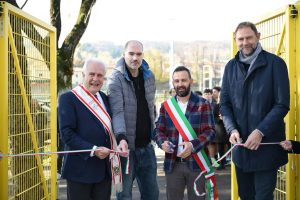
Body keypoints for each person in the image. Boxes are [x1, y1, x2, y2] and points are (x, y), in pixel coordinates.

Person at [220, 21, 290, 199]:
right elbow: (225, 104)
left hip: (266, 149)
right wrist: (231, 129)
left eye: (249, 37)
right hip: (241, 149)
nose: (245, 42)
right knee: (245, 197)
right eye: (240, 39)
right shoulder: (230, 67)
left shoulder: (276, 64)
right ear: (236, 41)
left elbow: (282, 104)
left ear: (258, 36)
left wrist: (260, 131)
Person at [108, 40, 159, 200]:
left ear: (143, 56)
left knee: (152, 195)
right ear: (124, 54)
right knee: (124, 196)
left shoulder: (150, 77)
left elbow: (151, 109)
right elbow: (117, 112)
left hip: (147, 148)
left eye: (138, 54)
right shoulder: (115, 79)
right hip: (126, 150)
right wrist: (121, 138)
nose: (135, 58)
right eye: (131, 53)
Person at [155, 66, 216, 200]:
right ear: (173, 83)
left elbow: (210, 132)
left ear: (191, 81)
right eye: (176, 81)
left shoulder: (203, 104)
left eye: (183, 80)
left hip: (197, 163)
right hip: (173, 164)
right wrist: (162, 142)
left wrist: (193, 145)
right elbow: (158, 130)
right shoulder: (166, 106)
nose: (180, 84)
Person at [58, 59, 116, 200]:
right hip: (80, 170)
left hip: (104, 171)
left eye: (100, 75)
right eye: (92, 74)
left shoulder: (105, 98)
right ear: (84, 75)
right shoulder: (68, 99)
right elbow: (67, 134)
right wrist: (93, 149)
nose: (95, 79)